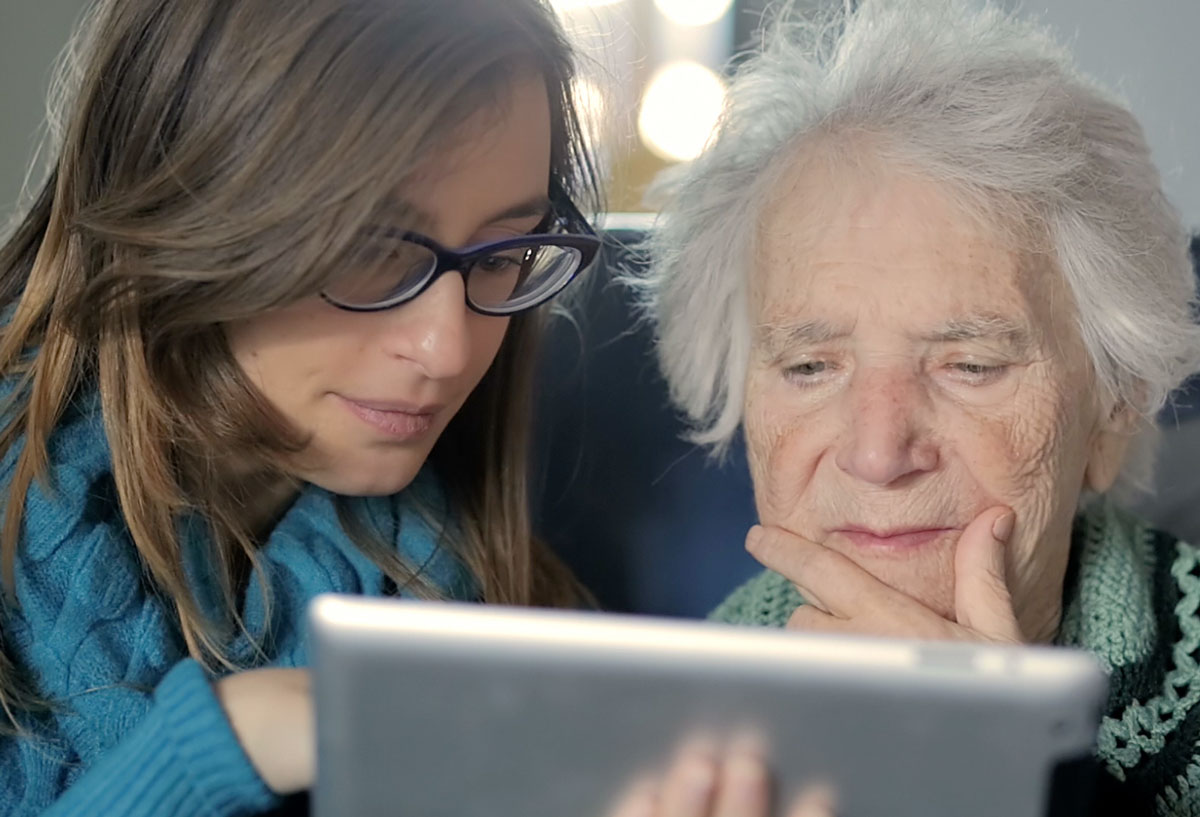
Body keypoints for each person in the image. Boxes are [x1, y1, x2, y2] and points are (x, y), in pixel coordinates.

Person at [0, 0, 609, 813]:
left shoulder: (482, 591)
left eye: (504, 253)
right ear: (184, 213)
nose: (449, 349)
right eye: (370, 249)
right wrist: (223, 743)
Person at [638, 0, 1200, 813]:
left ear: (1116, 404)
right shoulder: (664, 725)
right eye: (808, 365)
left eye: (970, 364)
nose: (877, 450)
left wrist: (1009, 771)